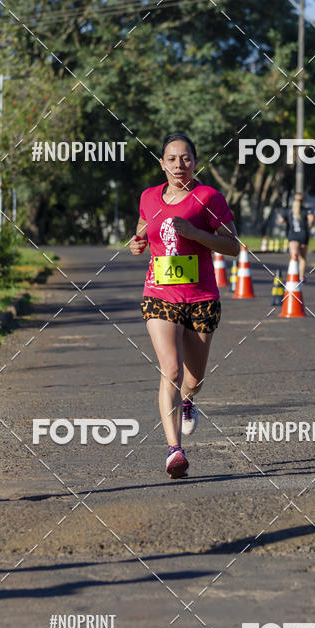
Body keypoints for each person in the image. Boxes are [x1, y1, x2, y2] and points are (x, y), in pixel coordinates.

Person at [129, 132, 240, 479]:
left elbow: (233, 246)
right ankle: (174, 450)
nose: (179, 165)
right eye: (172, 159)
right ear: (162, 163)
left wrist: (195, 233)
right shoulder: (149, 197)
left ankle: (188, 400)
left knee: (193, 378)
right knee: (171, 371)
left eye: (186, 158)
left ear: (195, 161)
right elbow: (142, 231)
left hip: (201, 297)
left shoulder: (209, 198)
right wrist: (136, 243)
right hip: (159, 294)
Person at [284, 192, 315, 280]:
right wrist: (309, 225)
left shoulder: (289, 211)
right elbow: (311, 219)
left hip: (293, 235)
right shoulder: (307, 210)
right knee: (302, 257)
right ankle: (301, 277)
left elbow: (281, 219)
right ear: (303, 201)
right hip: (303, 235)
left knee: (293, 256)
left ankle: (292, 276)